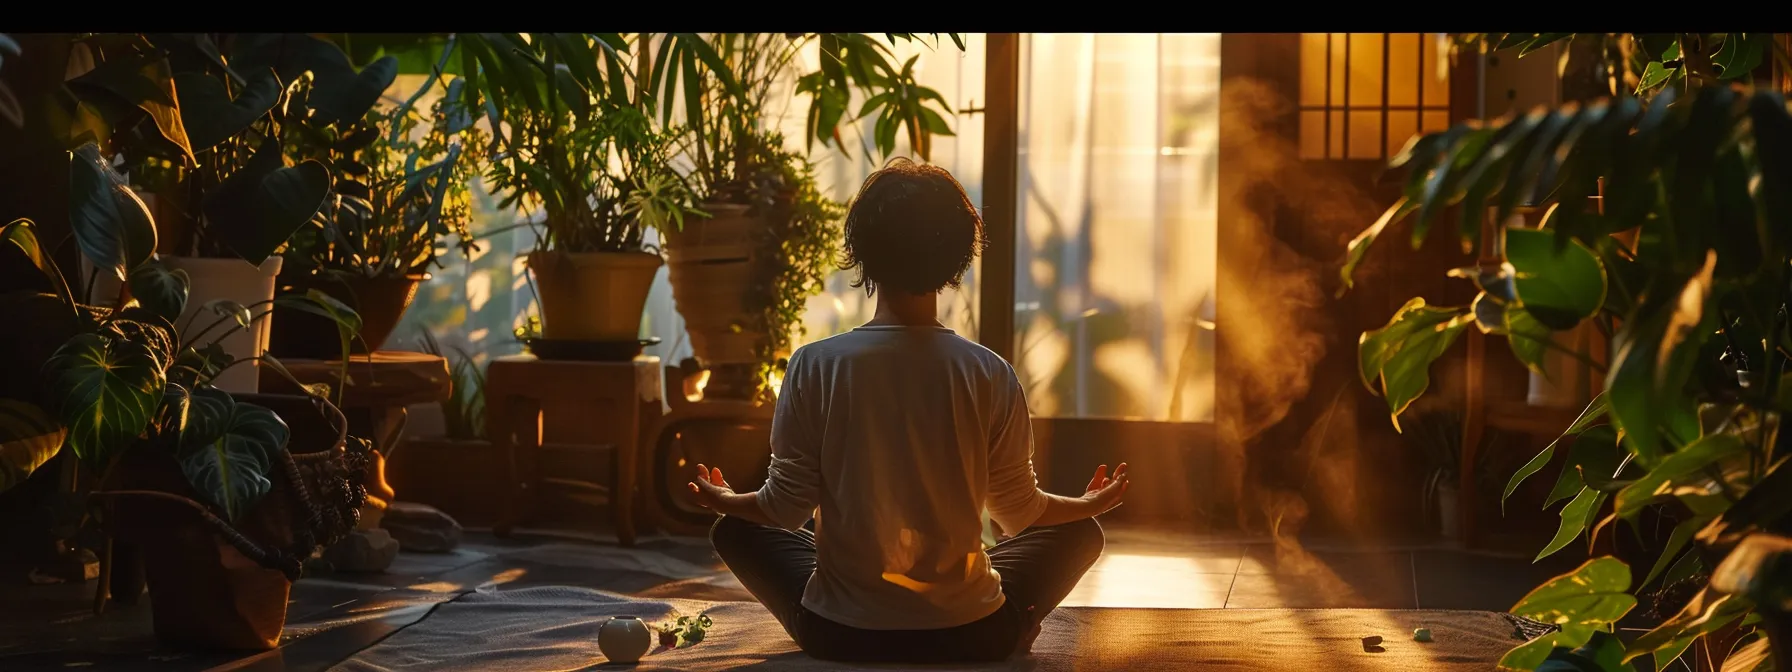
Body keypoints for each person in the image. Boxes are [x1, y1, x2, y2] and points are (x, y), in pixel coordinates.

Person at [687, 158, 1130, 664]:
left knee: (735, 528)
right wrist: (1090, 505)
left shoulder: (815, 364)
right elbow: (1018, 512)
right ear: (959, 256)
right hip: (974, 634)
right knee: (1078, 532)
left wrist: (725, 499)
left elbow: (784, 508)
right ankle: (1012, 623)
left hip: (838, 635)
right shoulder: (989, 371)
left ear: (861, 253)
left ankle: (851, 596)